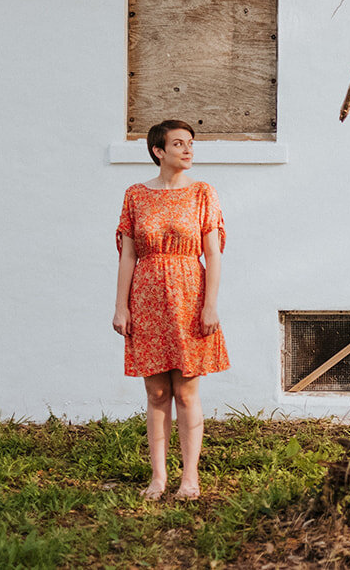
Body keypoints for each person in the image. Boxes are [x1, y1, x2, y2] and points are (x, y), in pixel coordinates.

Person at [113, 119, 229, 500]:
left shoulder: (202, 194)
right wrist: (121, 307)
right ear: (158, 151)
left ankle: (190, 477)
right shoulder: (135, 195)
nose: (188, 149)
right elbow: (127, 255)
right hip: (146, 299)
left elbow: (212, 254)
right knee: (157, 394)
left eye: (191, 143)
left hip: (189, 297)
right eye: (179, 143)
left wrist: (210, 305)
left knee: (186, 392)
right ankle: (159, 477)